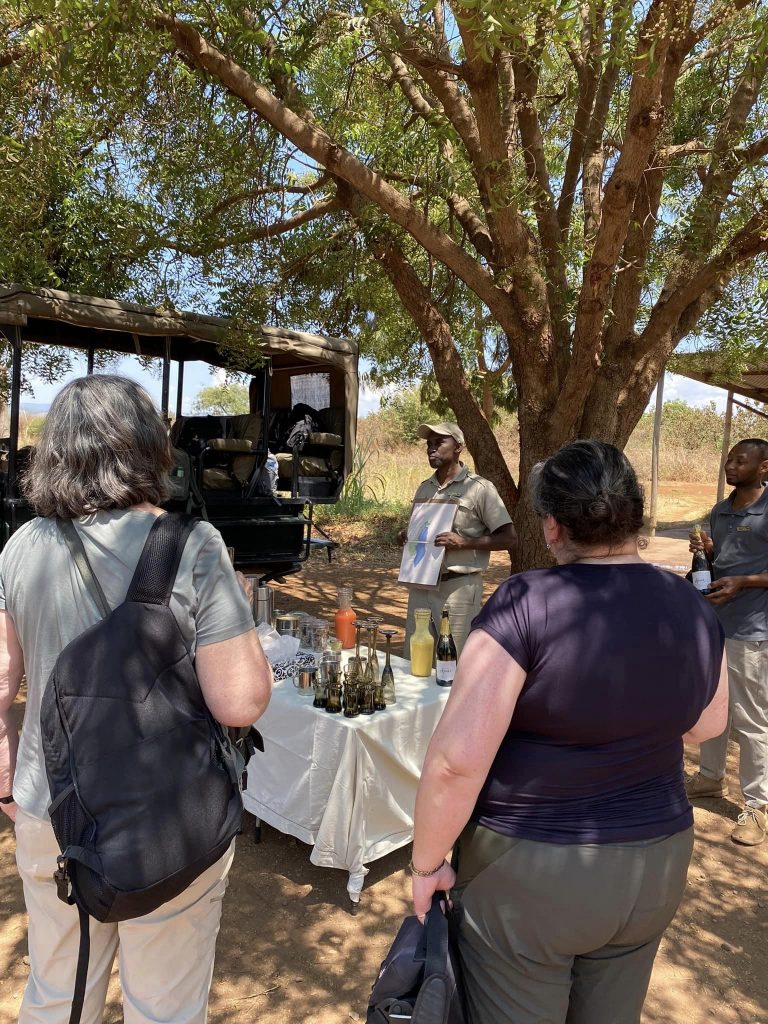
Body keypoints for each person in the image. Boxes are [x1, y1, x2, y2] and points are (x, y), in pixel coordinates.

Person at [410, 440, 727, 1024]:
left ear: (553, 527)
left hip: (531, 868)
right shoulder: (690, 602)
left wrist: (427, 866)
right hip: (655, 862)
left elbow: (457, 762)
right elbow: (707, 723)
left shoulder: (525, 602)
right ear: (636, 514)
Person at [0, 375, 273, 1024]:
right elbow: (240, 702)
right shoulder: (191, 546)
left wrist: (9, 777)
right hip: (168, 818)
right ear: (149, 448)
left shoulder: (19, 546)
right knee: (164, 1006)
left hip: (52, 808)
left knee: (58, 993)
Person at [686, 437, 768, 846]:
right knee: (714, 706)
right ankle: (709, 779)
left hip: (753, 630)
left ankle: (756, 805)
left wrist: (746, 583)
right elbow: (718, 566)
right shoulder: (720, 511)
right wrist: (707, 553)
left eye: (741, 460)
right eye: (729, 459)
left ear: (764, 467)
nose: (730, 466)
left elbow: (749, 574)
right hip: (715, 626)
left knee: (752, 720)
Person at [398, 422, 516, 656]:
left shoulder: (480, 488)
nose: (431, 448)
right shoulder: (425, 489)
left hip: (458, 589)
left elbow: (509, 538)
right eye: (429, 444)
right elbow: (423, 532)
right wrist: (407, 537)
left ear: (458, 446)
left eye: (439, 442)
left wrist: (464, 542)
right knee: (415, 661)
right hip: (421, 587)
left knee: (452, 664)